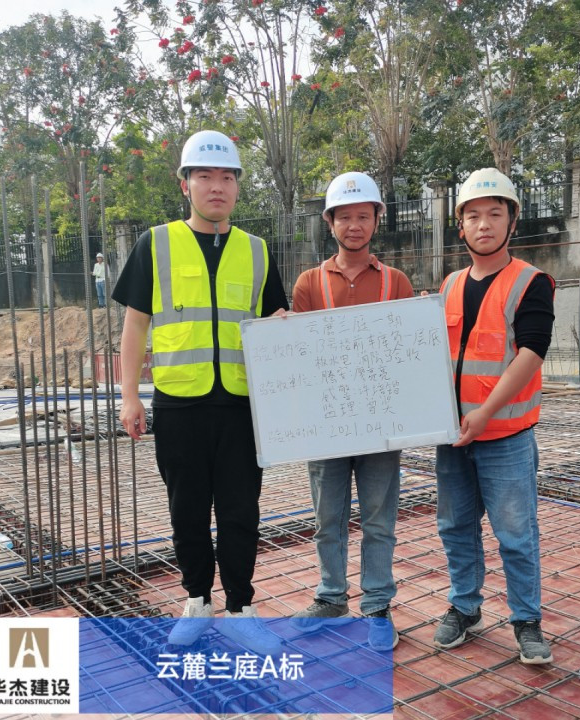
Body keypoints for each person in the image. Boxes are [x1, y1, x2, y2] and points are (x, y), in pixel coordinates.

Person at [113, 130, 289, 652]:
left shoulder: (256, 251)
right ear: (184, 184)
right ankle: (197, 600)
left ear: (237, 187)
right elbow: (135, 324)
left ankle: (240, 607)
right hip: (179, 404)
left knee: (240, 512)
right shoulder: (156, 243)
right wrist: (128, 396)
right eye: (205, 176)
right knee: (186, 511)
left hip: (240, 406)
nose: (217, 187)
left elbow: (275, 322)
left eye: (227, 177)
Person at [433, 167, 555, 664]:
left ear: (512, 221)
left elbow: (532, 352)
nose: (483, 224)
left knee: (515, 534)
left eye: (494, 214)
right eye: (473, 216)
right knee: (455, 527)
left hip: (504, 435)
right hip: (453, 435)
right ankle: (465, 607)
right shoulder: (449, 285)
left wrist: (484, 413)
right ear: (460, 225)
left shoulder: (530, 282)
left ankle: (527, 620)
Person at [291, 171, 414, 651]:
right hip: (326, 425)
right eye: (344, 217)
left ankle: (378, 606)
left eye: (364, 215)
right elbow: (297, 355)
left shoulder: (396, 282)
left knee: (379, 520)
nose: (354, 225)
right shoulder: (309, 284)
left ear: (377, 220)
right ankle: (331, 597)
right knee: (329, 518)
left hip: (380, 425)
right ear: (330, 223)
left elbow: (408, 354)